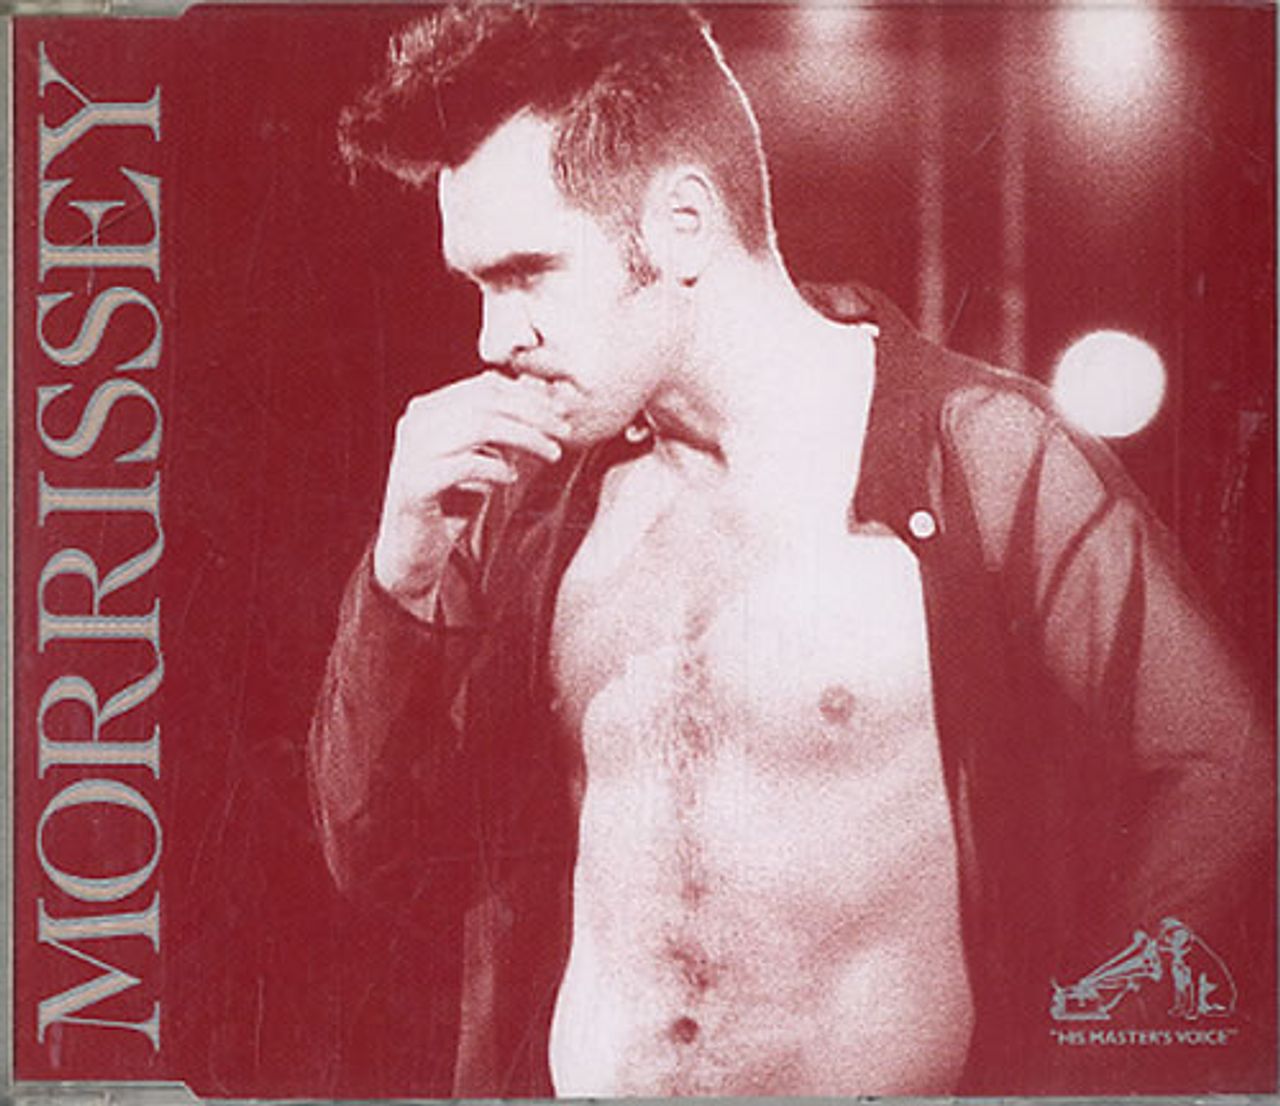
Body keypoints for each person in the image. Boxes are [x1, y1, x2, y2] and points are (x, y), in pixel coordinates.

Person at [308, 2, 1273, 1097]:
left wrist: (1064, 1072)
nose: (494, 337)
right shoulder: (526, 503)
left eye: (527, 271)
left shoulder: (975, 452)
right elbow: (371, 862)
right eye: (477, 286)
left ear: (681, 222)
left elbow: (1227, 773)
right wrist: (398, 577)